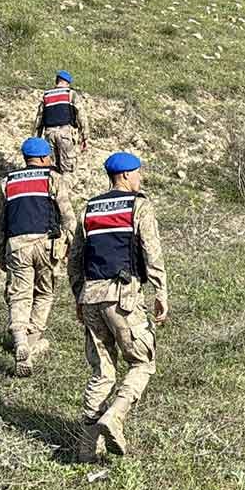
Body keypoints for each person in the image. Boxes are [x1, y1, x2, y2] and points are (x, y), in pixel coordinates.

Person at [69, 152, 166, 461]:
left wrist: (78, 297)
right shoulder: (138, 205)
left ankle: (87, 447)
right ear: (124, 176)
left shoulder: (89, 208)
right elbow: (151, 249)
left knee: (103, 373)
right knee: (142, 363)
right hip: (123, 297)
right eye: (137, 173)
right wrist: (161, 290)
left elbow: (75, 258)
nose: (140, 178)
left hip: (91, 297)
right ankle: (115, 416)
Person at [0, 137, 76, 377]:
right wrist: (71, 244)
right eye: (48, 156)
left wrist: (1, 253)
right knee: (44, 293)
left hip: (17, 245)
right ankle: (32, 341)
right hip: (47, 243)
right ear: (41, 159)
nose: (50, 159)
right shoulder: (52, 178)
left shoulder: (7, 182)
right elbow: (68, 216)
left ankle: (19, 339)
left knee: (19, 294)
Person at [34, 70, 89, 175]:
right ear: (67, 83)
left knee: (52, 166)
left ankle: (54, 188)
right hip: (66, 133)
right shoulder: (70, 94)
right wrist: (85, 136)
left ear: (56, 81)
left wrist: (36, 139)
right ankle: (65, 189)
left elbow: (39, 120)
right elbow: (81, 116)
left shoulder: (46, 96)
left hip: (49, 134)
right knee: (68, 168)